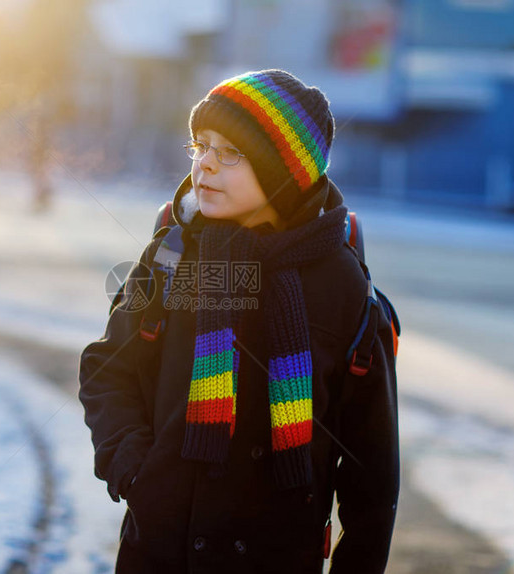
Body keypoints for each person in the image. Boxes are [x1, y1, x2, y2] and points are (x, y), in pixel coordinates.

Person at [79, 69, 399, 573]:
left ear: (282, 171)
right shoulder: (174, 253)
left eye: (229, 152)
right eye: (200, 145)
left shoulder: (343, 288)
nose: (204, 164)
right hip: (161, 553)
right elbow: (106, 368)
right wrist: (134, 471)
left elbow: (372, 472)